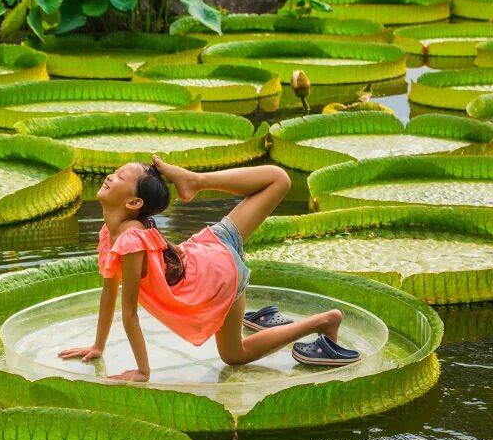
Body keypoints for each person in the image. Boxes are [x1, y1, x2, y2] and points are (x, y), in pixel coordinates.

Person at [59, 156, 357, 382]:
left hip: (218, 275)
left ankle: (323, 322)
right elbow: (108, 293)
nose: (111, 176)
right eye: (115, 172)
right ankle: (196, 181)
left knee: (235, 355)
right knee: (279, 180)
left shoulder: (131, 240)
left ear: (135, 202)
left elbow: (130, 312)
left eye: (120, 175)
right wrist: (98, 345)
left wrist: (142, 370)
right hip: (212, 246)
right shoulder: (109, 234)